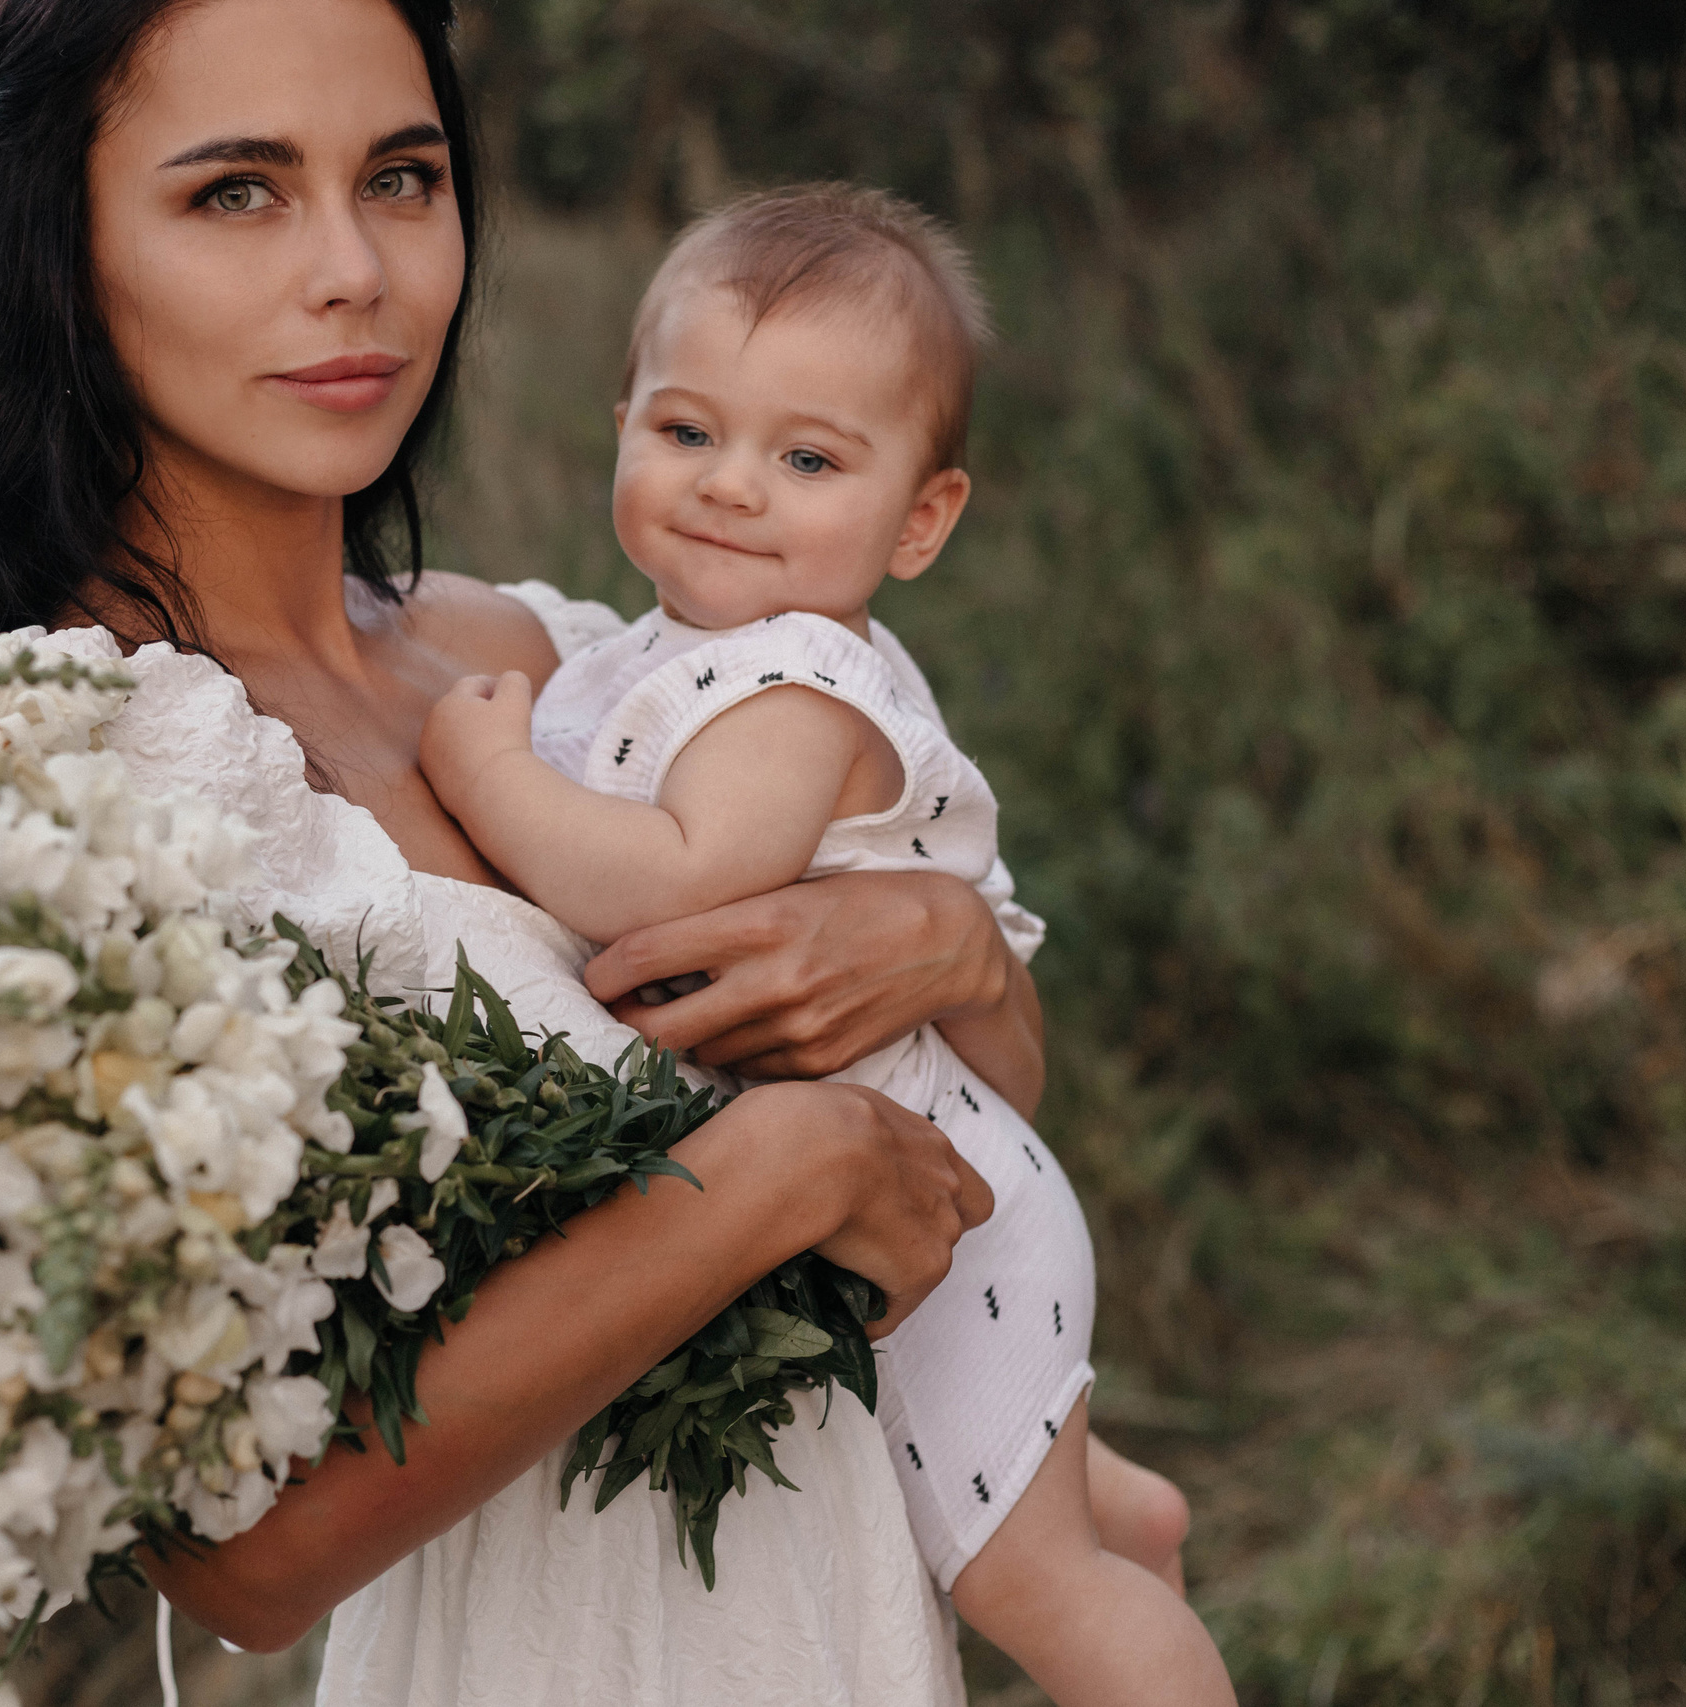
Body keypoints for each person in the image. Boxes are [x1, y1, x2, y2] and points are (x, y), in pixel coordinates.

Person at [0, 0, 1053, 1699]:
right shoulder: (55, 794)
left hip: (831, 1627)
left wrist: (949, 949)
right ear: (55, 248)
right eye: (236, 192)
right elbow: (242, 1553)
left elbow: (984, 1116)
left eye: (401, 177)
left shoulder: (570, 662)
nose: (355, 270)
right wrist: (773, 1176)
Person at [418, 184, 1234, 1706]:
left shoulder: (797, 678)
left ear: (919, 520)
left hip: (938, 1209)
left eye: (806, 459)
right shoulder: (667, 652)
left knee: (1030, 1586)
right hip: (890, 1185)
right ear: (621, 424)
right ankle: (1122, 1500)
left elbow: (671, 884)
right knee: (1016, 1497)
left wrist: (490, 778)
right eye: (684, 432)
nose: (731, 487)